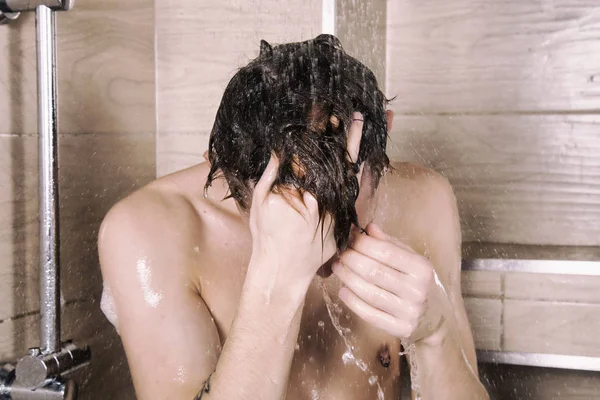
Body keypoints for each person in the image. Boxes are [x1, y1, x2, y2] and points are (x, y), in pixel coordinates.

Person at [98, 34, 489, 399]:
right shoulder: (148, 232)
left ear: (382, 136)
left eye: (342, 200)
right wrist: (277, 278)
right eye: (281, 209)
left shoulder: (424, 202)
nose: (315, 232)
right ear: (223, 171)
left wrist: (436, 334)